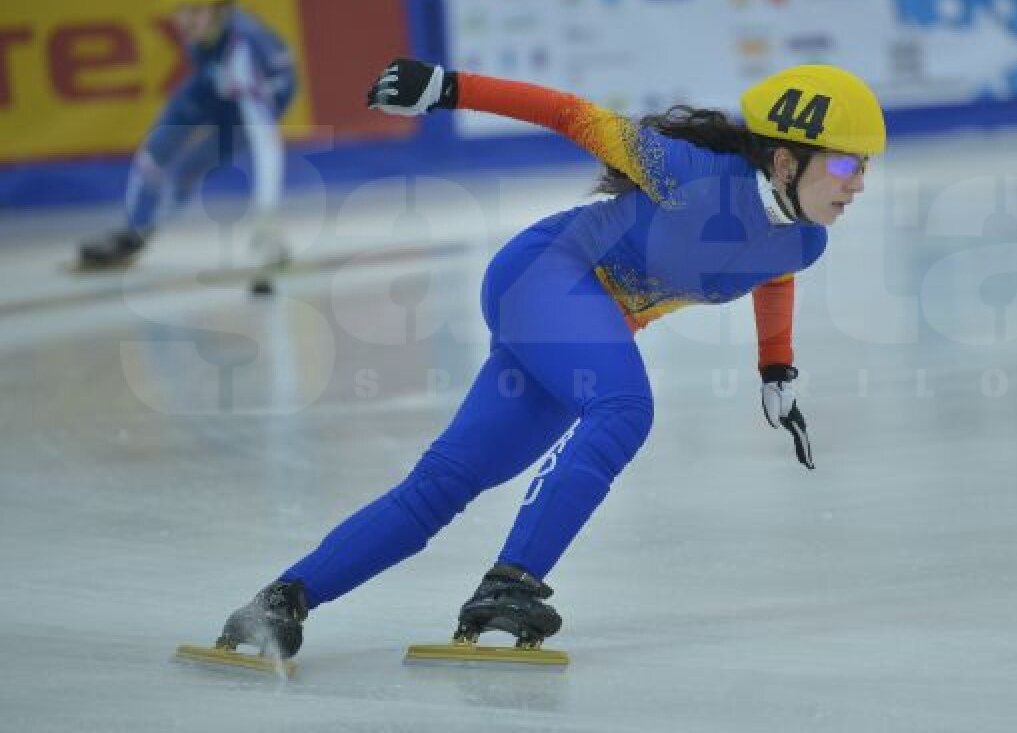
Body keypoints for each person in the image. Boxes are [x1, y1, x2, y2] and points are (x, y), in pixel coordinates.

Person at [214, 58, 886, 658]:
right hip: (544, 273)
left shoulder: (804, 242)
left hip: (580, 325)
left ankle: (282, 601)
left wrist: (776, 369)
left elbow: (772, 273)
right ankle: (512, 584)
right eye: (846, 162)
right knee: (623, 408)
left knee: (448, 480)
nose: (859, 181)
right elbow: (571, 115)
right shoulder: (689, 172)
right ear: (784, 159)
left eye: (866, 166)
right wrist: (447, 88)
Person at [78, 0, 295, 271]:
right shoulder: (209, 22)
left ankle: (145, 231)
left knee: (191, 166)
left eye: (195, 11)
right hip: (214, 82)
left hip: (253, 94)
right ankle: (132, 233)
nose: (185, 21)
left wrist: (267, 212)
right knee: (155, 150)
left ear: (221, 10)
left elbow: (265, 141)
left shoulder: (243, 53)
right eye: (180, 9)